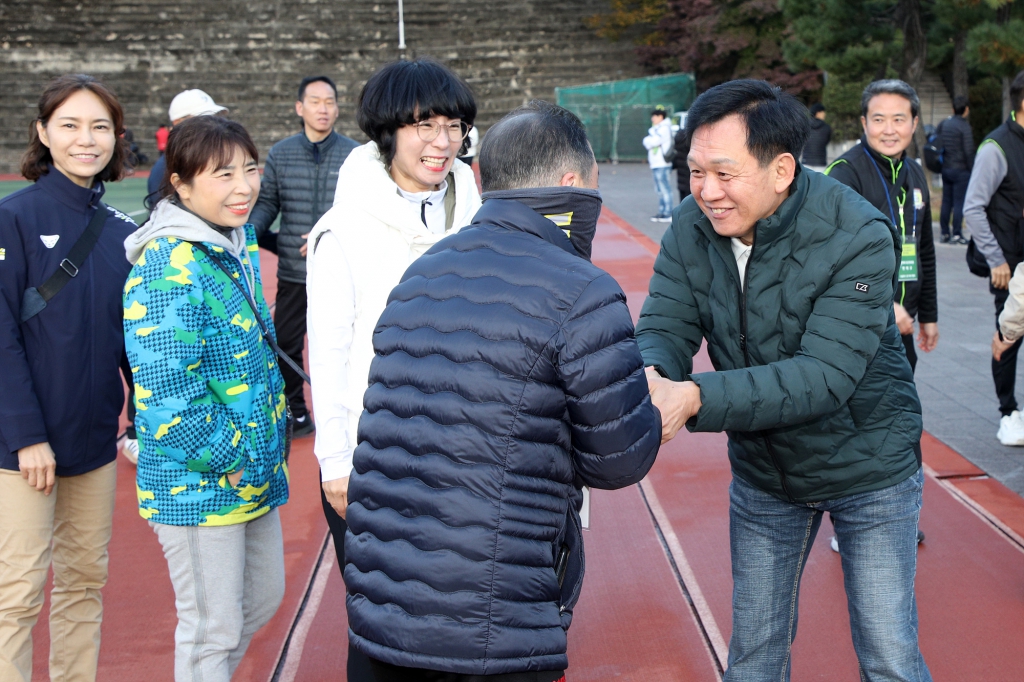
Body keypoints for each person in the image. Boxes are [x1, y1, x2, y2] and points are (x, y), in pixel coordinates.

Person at [344, 99, 661, 682]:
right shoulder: (583, 290)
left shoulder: (423, 271)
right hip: (491, 615)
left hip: (383, 601)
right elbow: (620, 461)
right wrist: (652, 404)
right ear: (573, 183)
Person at [637, 79, 931, 682]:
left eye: (724, 173)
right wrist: (651, 375)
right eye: (695, 172)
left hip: (868, 466)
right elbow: (665, 325)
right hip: (766, 472)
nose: (706, 193)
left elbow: (824, 377)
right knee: (753, 656)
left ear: (781, 169)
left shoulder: (858, 233)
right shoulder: (692, 227)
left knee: (889, 655)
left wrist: (691, 397)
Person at [305, 58, 481, 681]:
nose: (442, 141)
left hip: (464, 454)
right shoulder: (343, 231)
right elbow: (326, 353)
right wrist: (336, 461)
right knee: (382, 630)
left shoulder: (482, 218)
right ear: (387, 130)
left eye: (453, 125)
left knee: (460, 620)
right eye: (424, 125)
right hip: (376, 457)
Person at [123, 116, 289, 682]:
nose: (244, 186)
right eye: (223, 174)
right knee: (211, 629)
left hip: (251, 472)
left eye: (249, 168)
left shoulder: (226, 246)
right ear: (182, 185)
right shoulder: (169, 265)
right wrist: (236, 457)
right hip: (199, 484)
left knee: (261, 602)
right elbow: (169, 396)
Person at [0, 73, 136, 682]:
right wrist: (27, 435)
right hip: (21, 449)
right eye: (71, 125)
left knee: (84, 585)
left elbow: (135, 341)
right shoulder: (14, 218)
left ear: (117, 137)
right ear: (43, 133)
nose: (88, 139)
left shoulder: (122, 233)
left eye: (100, 126)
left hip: (93, 444)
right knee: (18, 594)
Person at [249, 76, 359, 439]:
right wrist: (247, 232)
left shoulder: (354, 154)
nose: (323, 108)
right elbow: (268, 202)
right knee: (286, 343)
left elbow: (363, 206)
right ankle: (296, 411)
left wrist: (329, 228)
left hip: (343, 270)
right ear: (300, 108)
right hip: (296, 272)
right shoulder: (281, 152)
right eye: (315, 101)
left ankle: (353, 411)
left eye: (330, 101)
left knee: (346, 343)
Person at [827, 79, 938, 374]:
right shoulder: (843, 174)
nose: (889, 130)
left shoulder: (914, 171)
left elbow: (924, 248)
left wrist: (928, 314)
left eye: (899, 119)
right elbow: (832, 259)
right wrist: (885, 306)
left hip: (903, 325)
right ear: (864, 122)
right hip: (855, 329)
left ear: (914, 123)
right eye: (879, 120)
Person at [965, 70, 1024, 446]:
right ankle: (1009, 412)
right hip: (1009, 264)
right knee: (1008, 336)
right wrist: (996, 259)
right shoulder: (997, 147)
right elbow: (973, 207)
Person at [145, 89, 227, 207]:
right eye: (204, 119)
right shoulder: (166, 168)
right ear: (178, 122)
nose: (213, 124)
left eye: (215, 117)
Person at [937, 96, 975, 244]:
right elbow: (968, 151)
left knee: (946, 201)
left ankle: (944, 232)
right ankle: (957, 233)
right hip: (961, 170)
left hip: (946, 168)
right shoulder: (965, 127)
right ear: (966, 110)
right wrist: (972, 169)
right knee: (959, 202)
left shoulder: (944, 124)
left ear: (953, 109)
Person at [643, 105, 674, 222]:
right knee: (659, 189)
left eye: (654, 116)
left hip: (662, 164)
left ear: (661, 116)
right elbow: (647, 142)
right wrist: (649, 141)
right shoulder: (656, 129)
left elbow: (653, 141)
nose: (652, 119)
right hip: (656, 163)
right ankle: (662, 212)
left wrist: (650, 140)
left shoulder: (664, 128)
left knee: (665, 188)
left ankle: (668, 213)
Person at [802, 102, 831, 171]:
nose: (824, 114)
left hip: (806, 162)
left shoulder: (805, 126)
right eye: (823, 112)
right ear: (818, 113)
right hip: (820, 163)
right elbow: (826, 141)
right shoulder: (826, 128)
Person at [671, 115, 692, 201]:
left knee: (683, 200)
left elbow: (674, 163)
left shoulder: (678, 138)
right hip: (689, 177)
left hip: (681, 178)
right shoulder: (691, 142)